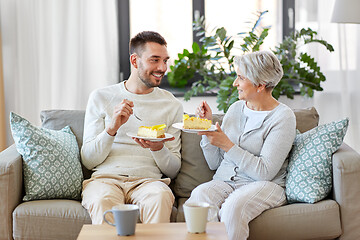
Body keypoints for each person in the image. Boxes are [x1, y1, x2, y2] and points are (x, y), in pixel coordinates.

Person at [186, 51, 296, 240]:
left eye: (240, 77)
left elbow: (265, 172)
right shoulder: (235, 108)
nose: (235, 83)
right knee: (199, 197)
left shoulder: (282, 117)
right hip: (226, 181)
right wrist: (207, 127)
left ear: (260, 85)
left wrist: (228, 145)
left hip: (264, 185)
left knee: (233, 208)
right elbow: (214, 164)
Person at [80, 31, 183, 224]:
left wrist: (157, 147)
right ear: (135, 61)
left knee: (160, 197)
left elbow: (173, 170)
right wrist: (111, 128)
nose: (162, 67)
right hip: (105, 180)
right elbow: (88, 160)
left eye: (165, 60)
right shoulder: (101, 97)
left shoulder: (172, 105)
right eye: (154, 60)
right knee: (102, 200)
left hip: (149, 182)